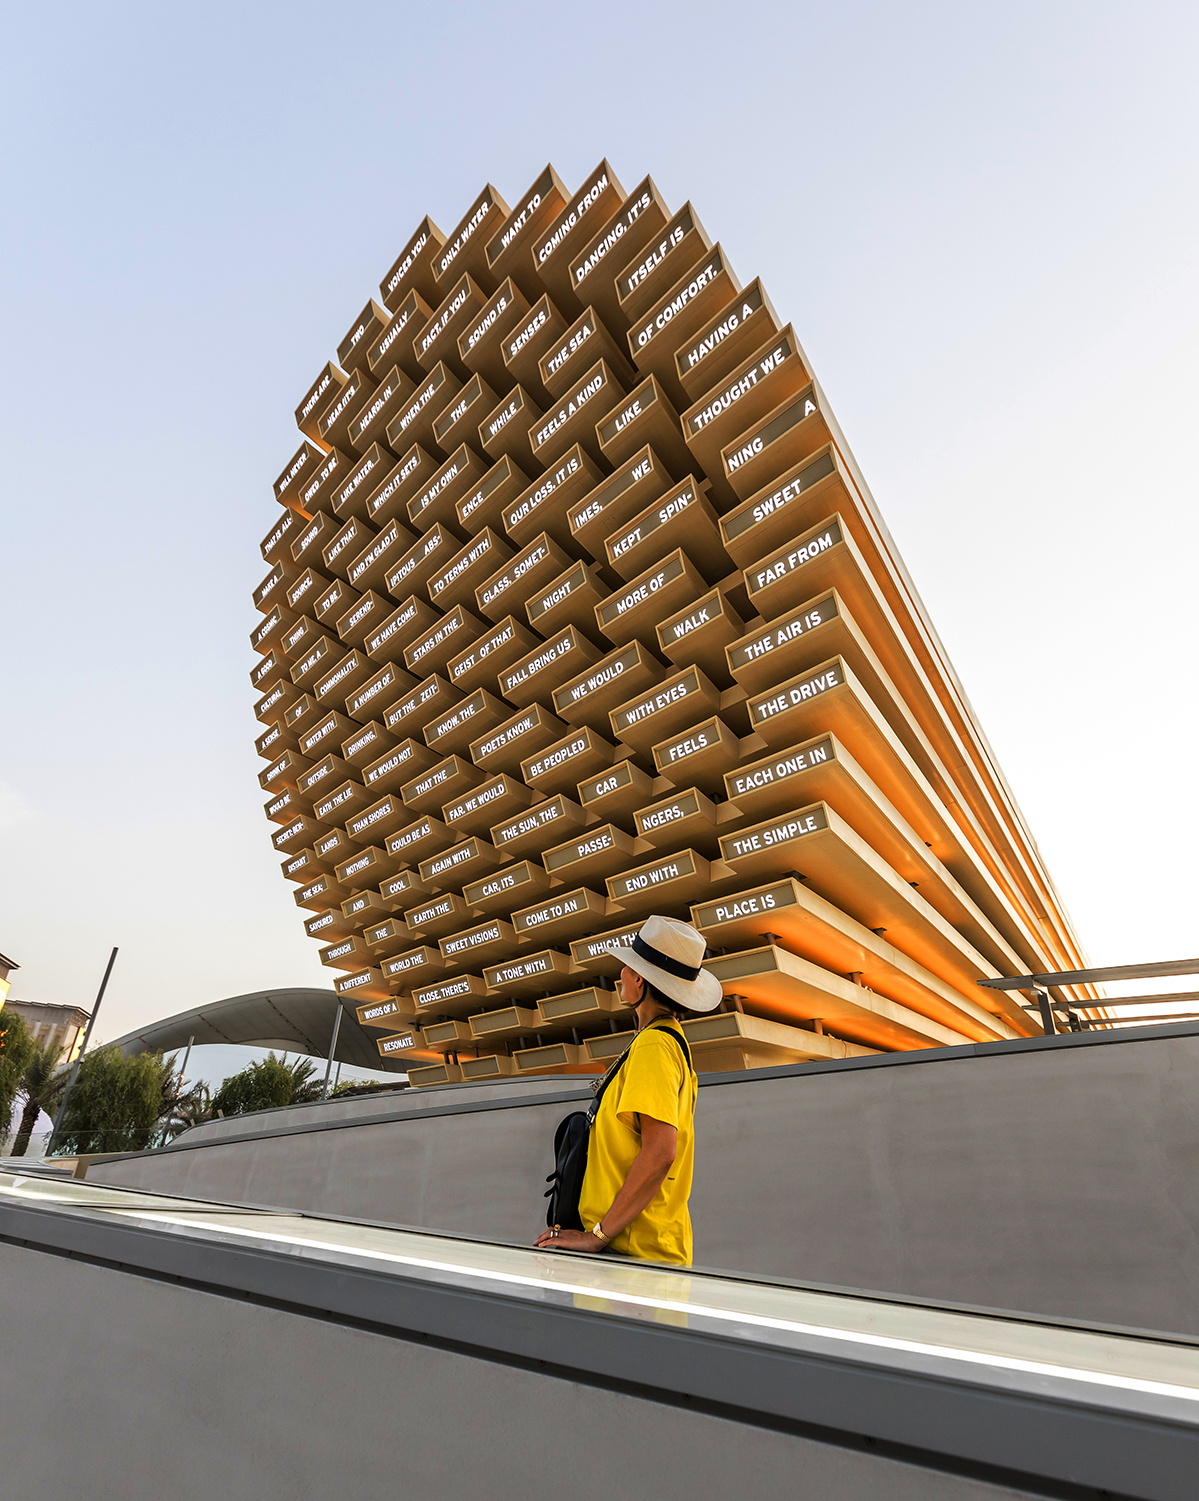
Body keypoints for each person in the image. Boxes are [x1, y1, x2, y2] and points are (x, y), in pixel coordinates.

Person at [535, 914, 722, 1265]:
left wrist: (597, 1237)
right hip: (638, 1248)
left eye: (627, 967)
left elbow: (660, 1152)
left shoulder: (654, 1047)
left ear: (639, 980)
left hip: (633, 1253)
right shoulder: (664, 1042)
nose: (621, 973)